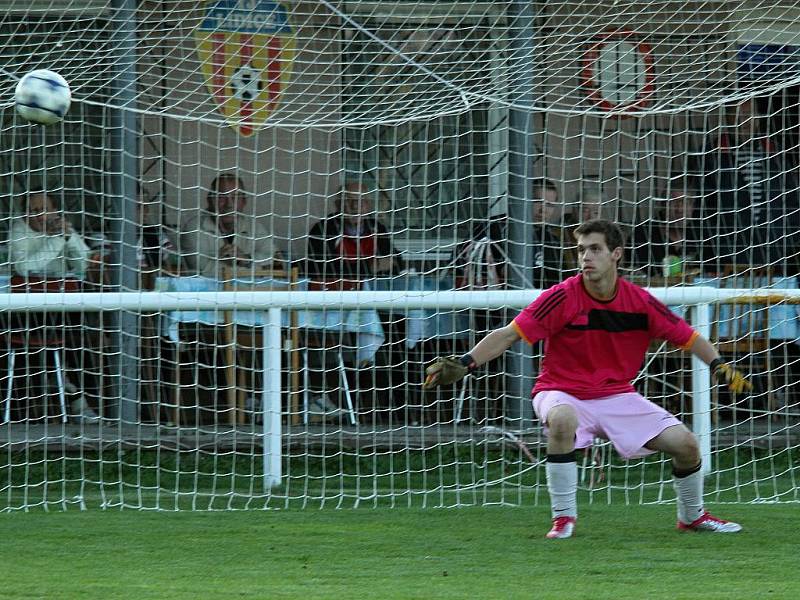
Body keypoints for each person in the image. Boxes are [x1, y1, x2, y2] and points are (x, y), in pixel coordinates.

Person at [423, 219, 749, 538]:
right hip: (559, 391)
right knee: (563, 420)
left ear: (616, 254)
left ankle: (692, 517)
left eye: (595, 249)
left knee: (687, 445)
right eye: (581, 250)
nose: (585, 257)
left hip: (616, 395)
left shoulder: (640, 302)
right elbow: (508, 335)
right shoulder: (562, 296)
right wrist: (465, 363)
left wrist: (720, 365)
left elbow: (689, 338)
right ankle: (563, 519)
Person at [7, 190, 101, 422]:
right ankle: (72, 395)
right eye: (33, 211)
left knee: (84, 341)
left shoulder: (62, 228)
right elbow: (24, 269)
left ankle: (88, 401)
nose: (40, 216)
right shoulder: (19, 232)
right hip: (27, 316)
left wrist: (69, 238)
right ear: (25, 214)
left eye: (44, 209)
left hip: (62, 310)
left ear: (55, 210)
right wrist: (57, 239)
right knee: (74, 337)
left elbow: (84, 264)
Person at [695, 97, 800, 275]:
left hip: (774, 259)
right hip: (727, 260)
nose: (744, 121)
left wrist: (782, 245)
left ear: (758, 117)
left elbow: (793, 203)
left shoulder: (775, 153)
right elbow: (703, 211)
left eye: (749, 114)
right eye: (737, 115)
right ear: (727, 119)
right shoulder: (711, 155)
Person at [179, 173, 278, 278]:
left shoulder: (254, 226)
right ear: (209, 200)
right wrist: (257, 268)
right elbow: (203, 272)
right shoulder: (193, 229)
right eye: (222, 197)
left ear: (244, 202)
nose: (229, 204)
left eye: (235, 197)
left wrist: (247, 259)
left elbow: (275, 260)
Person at [306, 181, 400, 281]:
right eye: (348, 200)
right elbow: (319, 268)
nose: (355, 206)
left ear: (368, 205)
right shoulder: (323, 229)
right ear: (338, 205)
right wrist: (370, 267)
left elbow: (394, 261)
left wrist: (386, 264)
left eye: (361, 200)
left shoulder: (377, 228)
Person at [629, 187, 708, 277]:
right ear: (663, 206)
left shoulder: (702, 234)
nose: (680, 210)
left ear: (693, 207)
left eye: (686, 203)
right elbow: (633, 273)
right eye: (673, 203)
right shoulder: (643, 235)